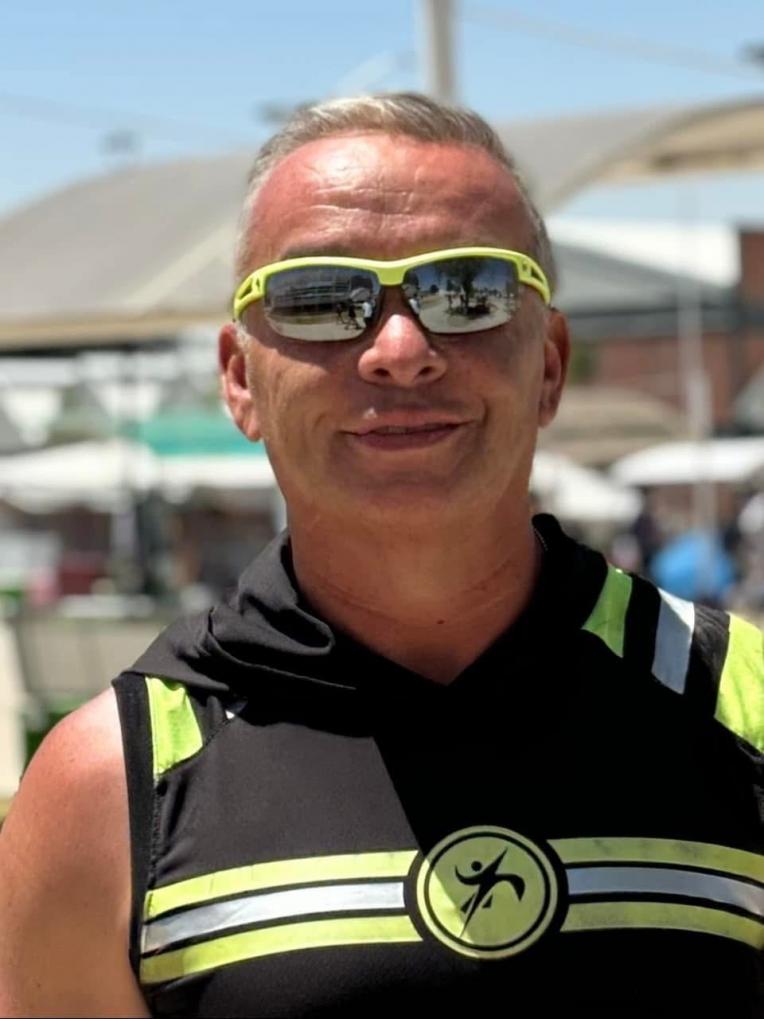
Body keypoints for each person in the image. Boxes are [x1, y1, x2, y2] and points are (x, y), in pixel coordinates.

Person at [0, 93, 761, 1018]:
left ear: (550, 364)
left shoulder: (742, 705)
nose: (400, 350)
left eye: (468, 290)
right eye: (321, 298)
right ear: (240, 379)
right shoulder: (108, 790)